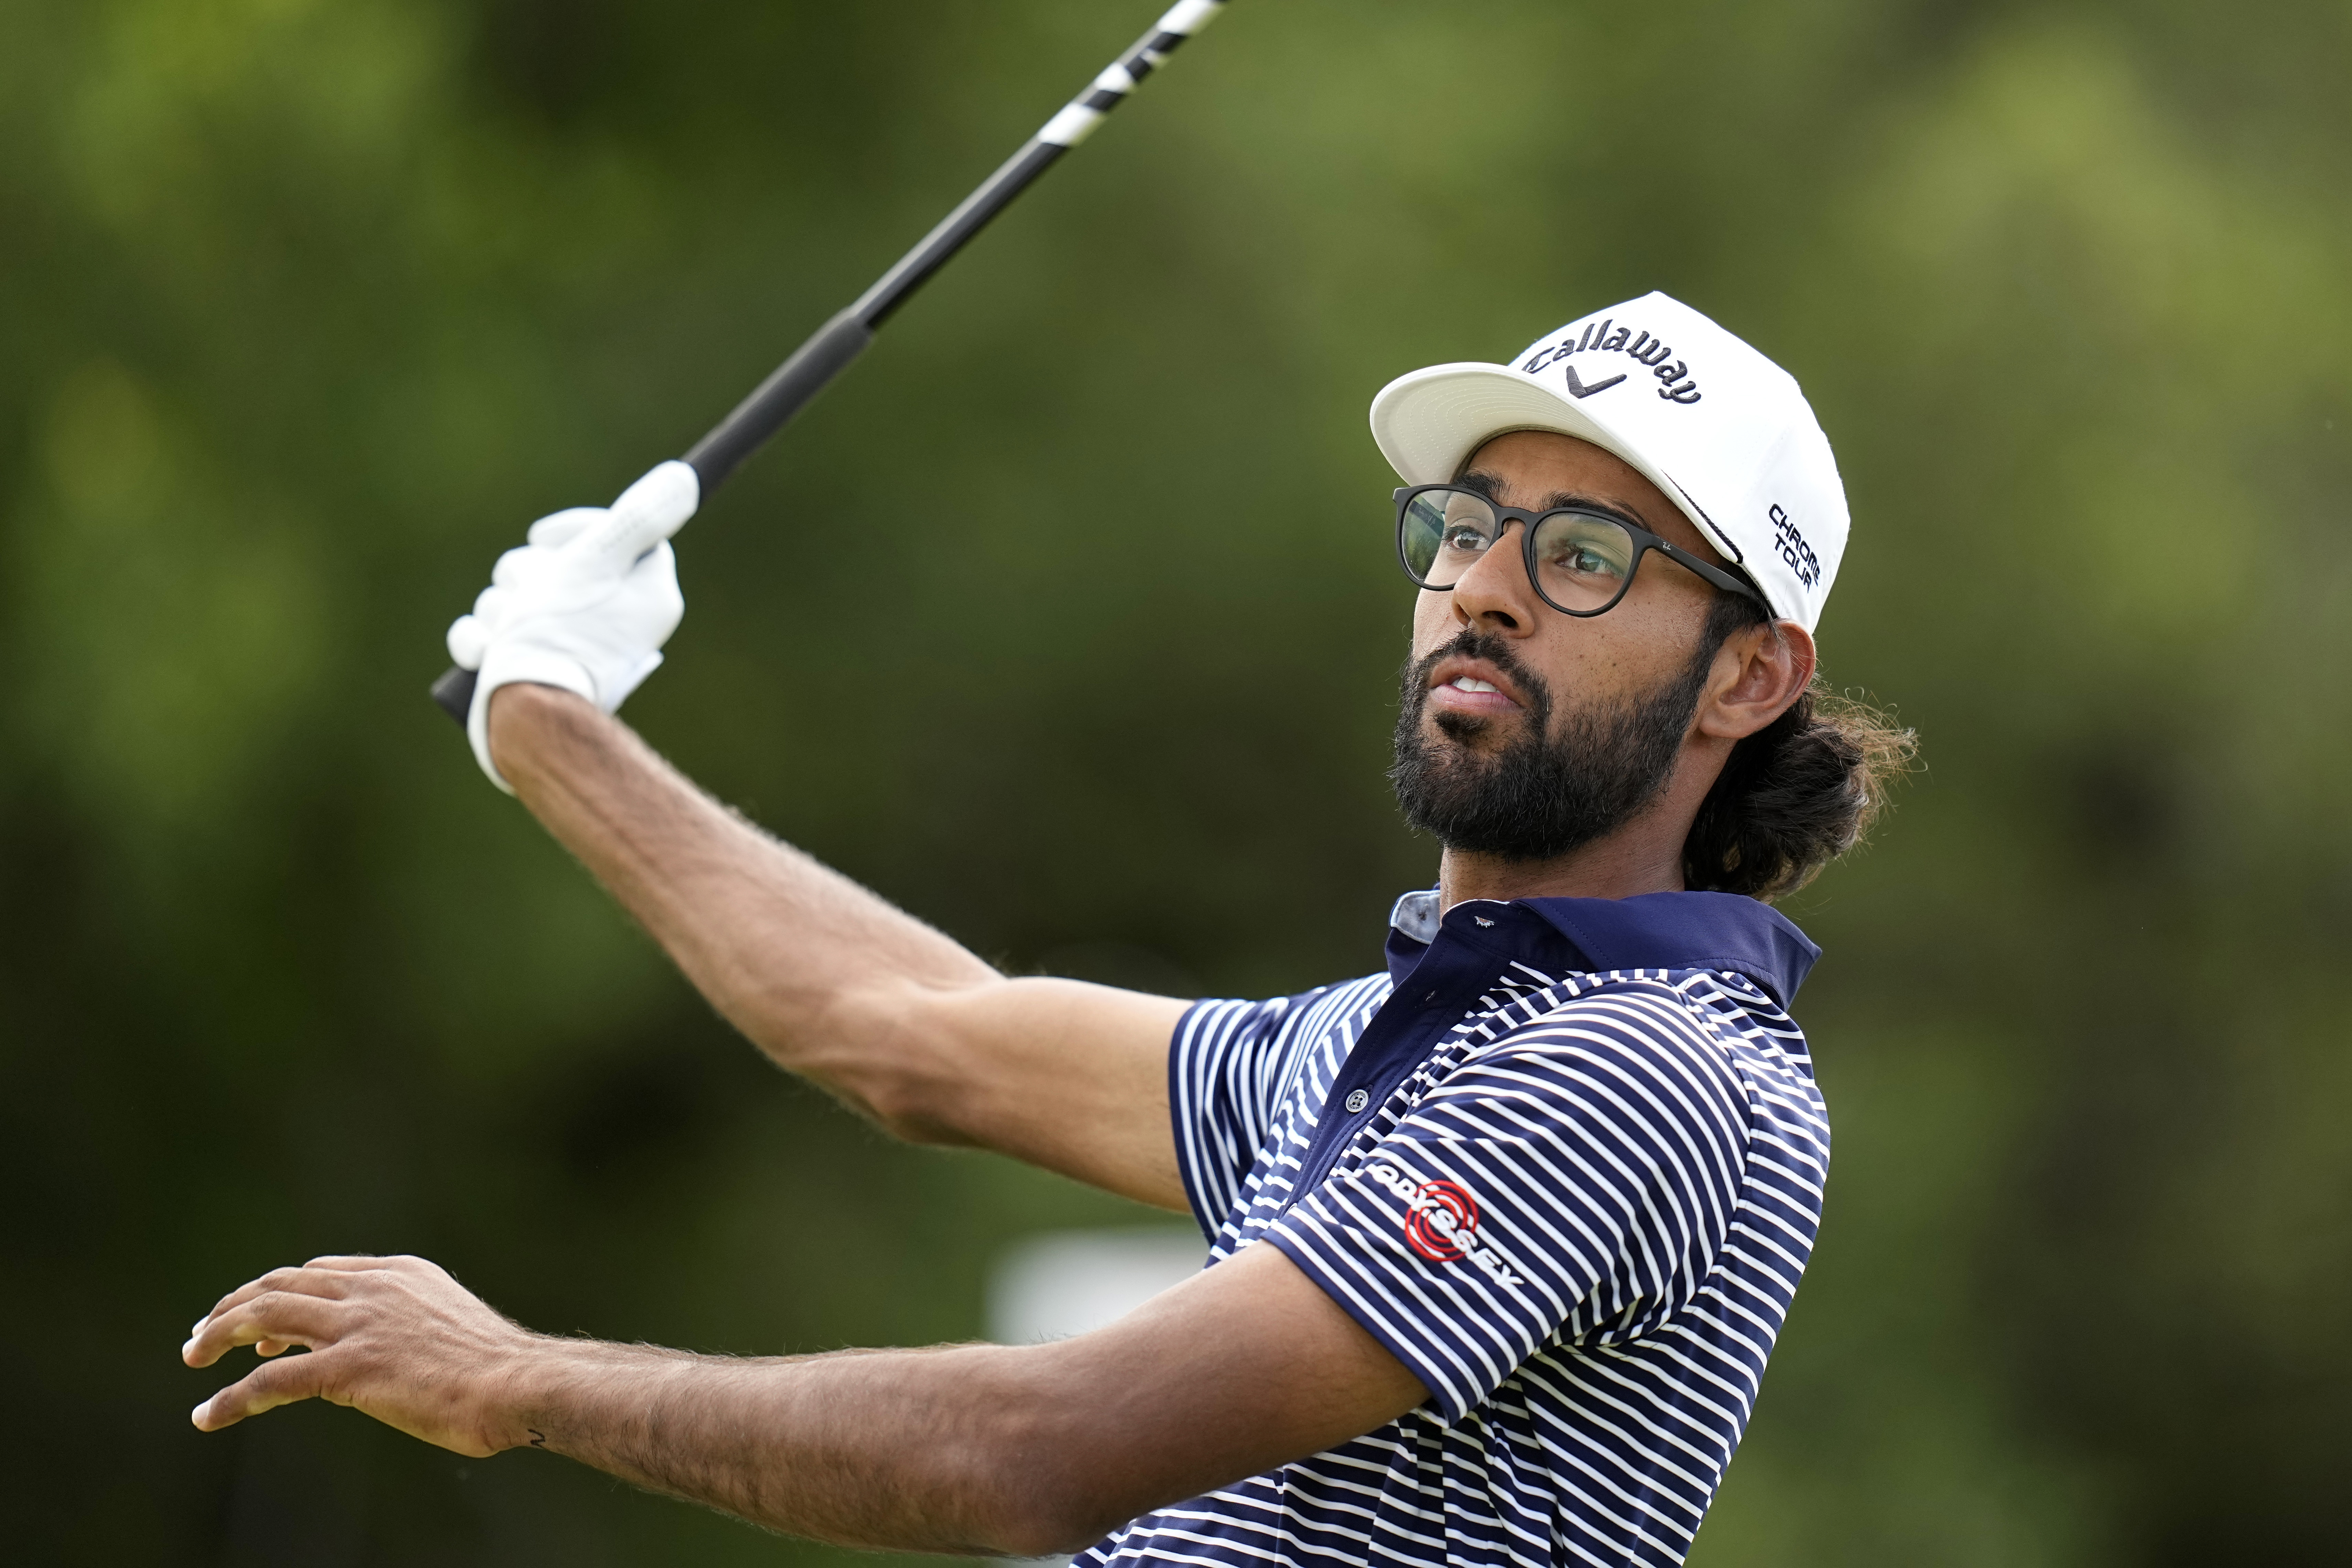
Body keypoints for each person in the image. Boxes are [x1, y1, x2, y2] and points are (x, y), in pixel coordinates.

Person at [184, 291, 1912, 1567]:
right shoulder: (1392, 1048)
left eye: (1587, 554)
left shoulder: (1647, 1071)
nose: (1482, 584)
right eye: (1468, 527)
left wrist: (522, 1380)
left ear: (1749, 677)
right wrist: (548, 721)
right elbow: (911, 1035)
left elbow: (1041, 1451)